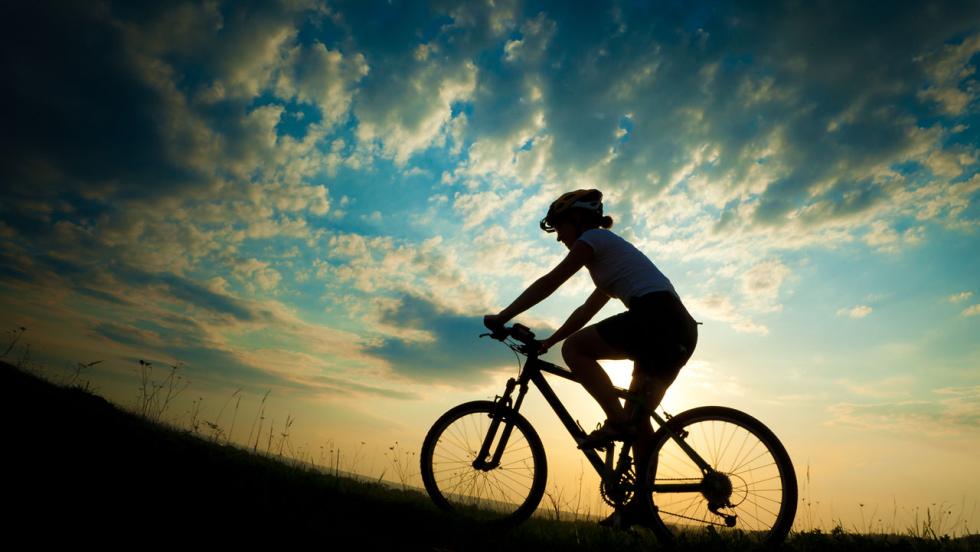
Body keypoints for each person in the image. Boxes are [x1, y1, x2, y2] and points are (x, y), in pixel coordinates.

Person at [483, 188, 698, 526]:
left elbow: (551, 281)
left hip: (655, 317)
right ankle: (642, 506)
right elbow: (585, 311)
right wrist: (549, 341)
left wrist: (503, 315)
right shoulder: (610, 261)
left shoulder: (595, 239)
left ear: (578, 220)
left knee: (576, 351)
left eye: (559, 229)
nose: (559, 239)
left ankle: (615, 423)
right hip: (678, 329)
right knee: (638, 421)